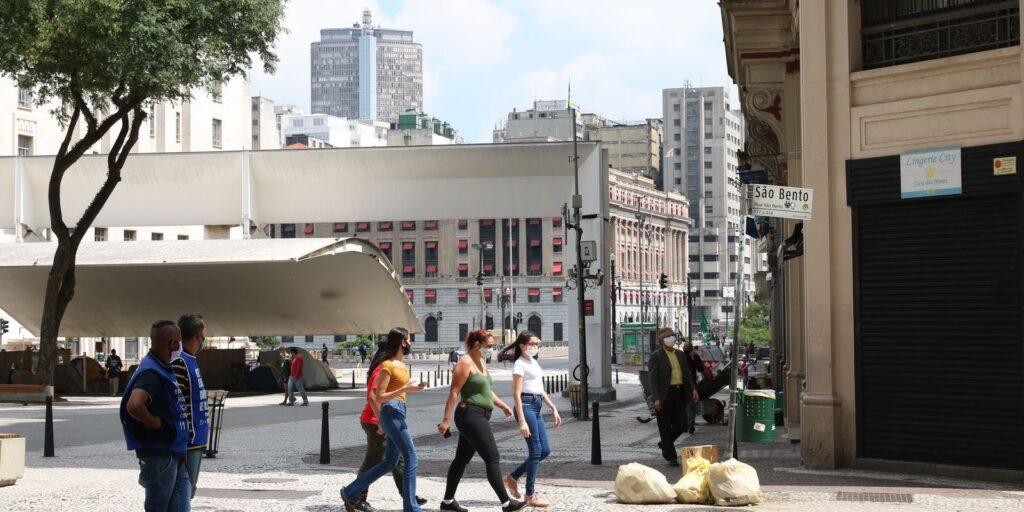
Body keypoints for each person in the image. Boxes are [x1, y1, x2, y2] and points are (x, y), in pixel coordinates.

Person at [437, 330, 525, 512]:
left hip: (480, 415)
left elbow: (486, 390)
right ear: (477, 344)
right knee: (492, 457)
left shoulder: (481, 361)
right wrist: (446, 420)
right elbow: (454, 392)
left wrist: (502, 405)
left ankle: (447, 502)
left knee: (461, 459)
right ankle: (506, 503)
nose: (492, 349)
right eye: (490, 346)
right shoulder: (465, 362)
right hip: (470, 415)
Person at [341, 328, 428, 512]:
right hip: (390, 412)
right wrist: (403, 389)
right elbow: (378, 396)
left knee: (390, 462)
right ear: (403, 342)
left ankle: (350, 492)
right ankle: (411, 507)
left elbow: (399, 391)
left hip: (399, 410)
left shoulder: (401, 364)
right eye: (409, 339)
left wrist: (413, 388)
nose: (411, 343)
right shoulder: (387, 365)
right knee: (411, 457)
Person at [120, 320, 189, 512]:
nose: (180, 346)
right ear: (172, 344)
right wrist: (154, 423)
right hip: (160, 453)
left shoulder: (161, 366)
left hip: (173, 449)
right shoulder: (150, 372)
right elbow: (134, 405)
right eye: (179, 341)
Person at [501, 331, 561, 508]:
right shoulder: (519, 364)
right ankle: (529, 495)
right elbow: (516, 394)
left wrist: (553, 407)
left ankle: (512, 477)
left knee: (545, 450)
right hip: (525, 406)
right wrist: (521, 420)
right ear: (522, 345)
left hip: (537, 405)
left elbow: (539, 389)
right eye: (533, 344)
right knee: (535, 451)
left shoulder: (533, 361)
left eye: (537, 343)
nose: (536, 347)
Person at [172, 314, 210, 500]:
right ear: (198, 334)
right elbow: (175, 402)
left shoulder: (190, 359)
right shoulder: (180, 362)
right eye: (204, 333)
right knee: (183, 493)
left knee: (188, 491)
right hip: (188, 442)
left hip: (197, 439)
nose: (205, 337)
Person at [648, 328, 697, 467]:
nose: (672, 338)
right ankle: (671, 456)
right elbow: (653, 379)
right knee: (664, 426)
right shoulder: (656, 356)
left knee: (682, 425)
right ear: (661, 340)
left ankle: (665, 443)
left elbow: (687, 375)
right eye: (668, 336)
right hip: (665, 394)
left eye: (672, 335)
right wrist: (656, 398)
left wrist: (693, 389)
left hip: (680, 392)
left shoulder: (680, 354)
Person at [683, 341, 703, 435]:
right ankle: (689, 425)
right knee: (690, 406)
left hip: (688, 384)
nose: (685, 350)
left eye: (686, 349)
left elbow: (700, 368)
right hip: (689, 384)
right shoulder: (691, 356)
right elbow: (700, 369)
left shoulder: (690, 356)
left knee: (688, 405)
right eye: (685, 349)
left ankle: (689, 425)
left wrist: (693, 359)